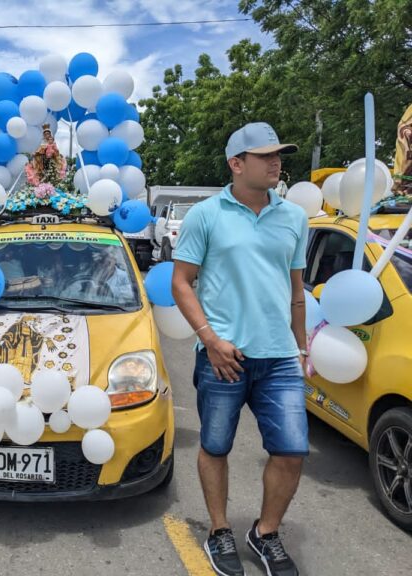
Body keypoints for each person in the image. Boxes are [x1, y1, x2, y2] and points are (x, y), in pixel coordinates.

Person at [171, 122, 308, 576]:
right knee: (215, 445)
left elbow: (295, 291)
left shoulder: (294, 217)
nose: (277, 162)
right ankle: (219, 530)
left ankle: (265, 533)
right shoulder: (206, 215)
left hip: (280, 358)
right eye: (266, 155)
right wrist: (210, 340)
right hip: (222, 357)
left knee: (291, 450)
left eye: (279, 154)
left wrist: (302, 348)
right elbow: (181, 283)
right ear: (236, 163)